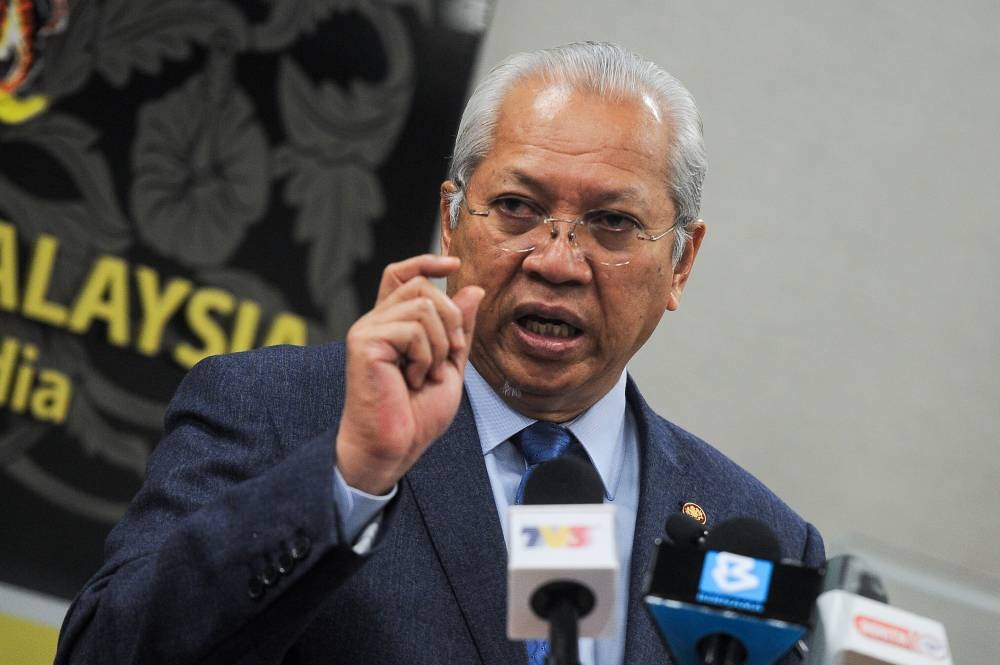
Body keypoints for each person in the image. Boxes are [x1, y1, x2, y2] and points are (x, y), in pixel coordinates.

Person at [55, 42, 824, 665]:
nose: (557, 260)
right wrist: (350, 474)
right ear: (452, 220)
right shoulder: (276, 413)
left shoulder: (758, 535)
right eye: (518, 208)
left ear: (681, 263)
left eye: (612, 222)